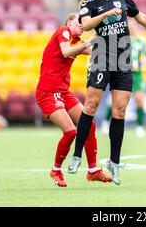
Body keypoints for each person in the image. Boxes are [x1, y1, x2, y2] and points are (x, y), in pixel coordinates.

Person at [67, 0, 146, 185]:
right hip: (102, 56)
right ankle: (77, 155)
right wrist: (105, 14)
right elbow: (86, 25)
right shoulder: (88, 5)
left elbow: (140, 16)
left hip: (123, 60)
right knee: (90, 106)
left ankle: (115, 162)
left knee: (120, 111)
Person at [35, 13, 112, 188]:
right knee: (70, 132)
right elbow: (66, 51)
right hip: (48, 92)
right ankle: (55, 170)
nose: (83, 25)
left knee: (89, 125)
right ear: (69, 22)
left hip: (63, 91)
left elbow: (93, 50)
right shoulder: (63, 31)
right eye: (79, 22)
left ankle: (93, 171)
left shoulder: (75, 40)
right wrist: (89, 42)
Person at [101, 19, 146, 138]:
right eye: (129, 26)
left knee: (139, 99)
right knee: (115, 100)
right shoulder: (120, 41)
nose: (132, 28)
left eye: (133, 26)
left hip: (137, 74)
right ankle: (106, 122)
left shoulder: (141, 42)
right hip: (122, 73)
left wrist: (143, 63)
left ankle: (139, 127)